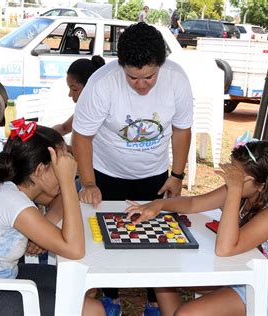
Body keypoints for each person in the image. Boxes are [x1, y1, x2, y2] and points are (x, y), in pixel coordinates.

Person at [72, 22, 193, 316]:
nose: (142, 84)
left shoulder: (177, 79)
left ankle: (154, 301)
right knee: (105, 237)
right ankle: (110, 297)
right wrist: (88, 183)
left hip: (154, 173)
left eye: (149, 77)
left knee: (158, 238)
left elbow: (181, 129)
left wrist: (176, 175)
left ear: (161, 66)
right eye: (133, 77)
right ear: (121, 65)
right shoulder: (101, 83)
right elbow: (81, 136)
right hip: (106, 172)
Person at [126, 140, 268, 316]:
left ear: (260, 184)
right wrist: (159, 204)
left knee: (186, 313)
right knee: (163, 273)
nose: (229, 180)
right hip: (239, 270)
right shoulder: (248, 190)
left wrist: (235, 189)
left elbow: (224, 248)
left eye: (236, 178)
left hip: (266, 288)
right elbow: (193, 203)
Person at [0, 122, 104, 316]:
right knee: (93, 311)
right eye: (60, 165)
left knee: (85, 284)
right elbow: (75, 249)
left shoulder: (16, 186)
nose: (68, 170)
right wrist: (68, 182)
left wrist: (43, 229)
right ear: (39, 170)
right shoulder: (13, 201)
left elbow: (58, 202)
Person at [52, 56, 106, 136]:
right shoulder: (85, 110)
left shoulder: (103, 112)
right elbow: (64, 128)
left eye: (74, 89)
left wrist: (60, 147)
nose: (70, 95)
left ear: (89, 87)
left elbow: (82, 147)